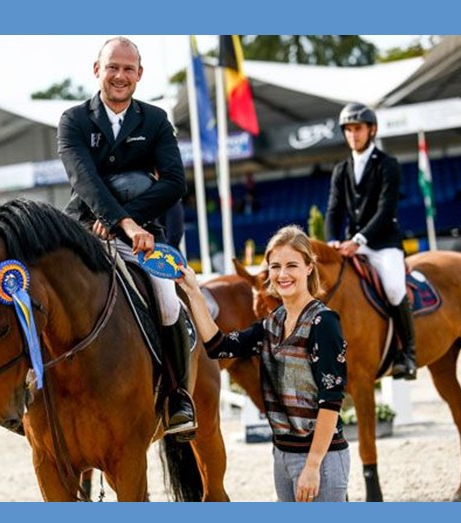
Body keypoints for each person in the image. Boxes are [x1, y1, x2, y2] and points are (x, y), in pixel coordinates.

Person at [58, 36, 195, 435]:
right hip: (83, 229)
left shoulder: (155, 120)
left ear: (139, 74)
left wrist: (126, 221)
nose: (120, 76)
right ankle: (33, 390)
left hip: (142, 235)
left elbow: (174, 182)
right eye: (112, 67)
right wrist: (118, 219)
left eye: (128, 69)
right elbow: (85, 179)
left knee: (167, 302)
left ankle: (176, 397)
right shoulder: (74, 120)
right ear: (97, 70)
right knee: (44, 290)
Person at [178, 225, 349, 502]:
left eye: (291, 265)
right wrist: (194, 292)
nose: (282, 274)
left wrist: (313, 466)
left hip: (320, 458)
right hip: (282, 456)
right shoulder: (272, 323)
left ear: (309, 267)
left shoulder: (324, 323)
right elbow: (219, 346)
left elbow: (331, 402)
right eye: (275, 266)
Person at [324, 102, 416, 380]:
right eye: (348, 130)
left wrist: (359, 239)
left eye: (358, 129)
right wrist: (332, 241)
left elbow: (386, 210)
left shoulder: (388, 165)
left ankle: (408, 354)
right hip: (350, 244)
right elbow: (334, 210)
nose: (353, 134)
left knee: (393, 288)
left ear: (371, 130)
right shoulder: (341, 170)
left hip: (383, 243)